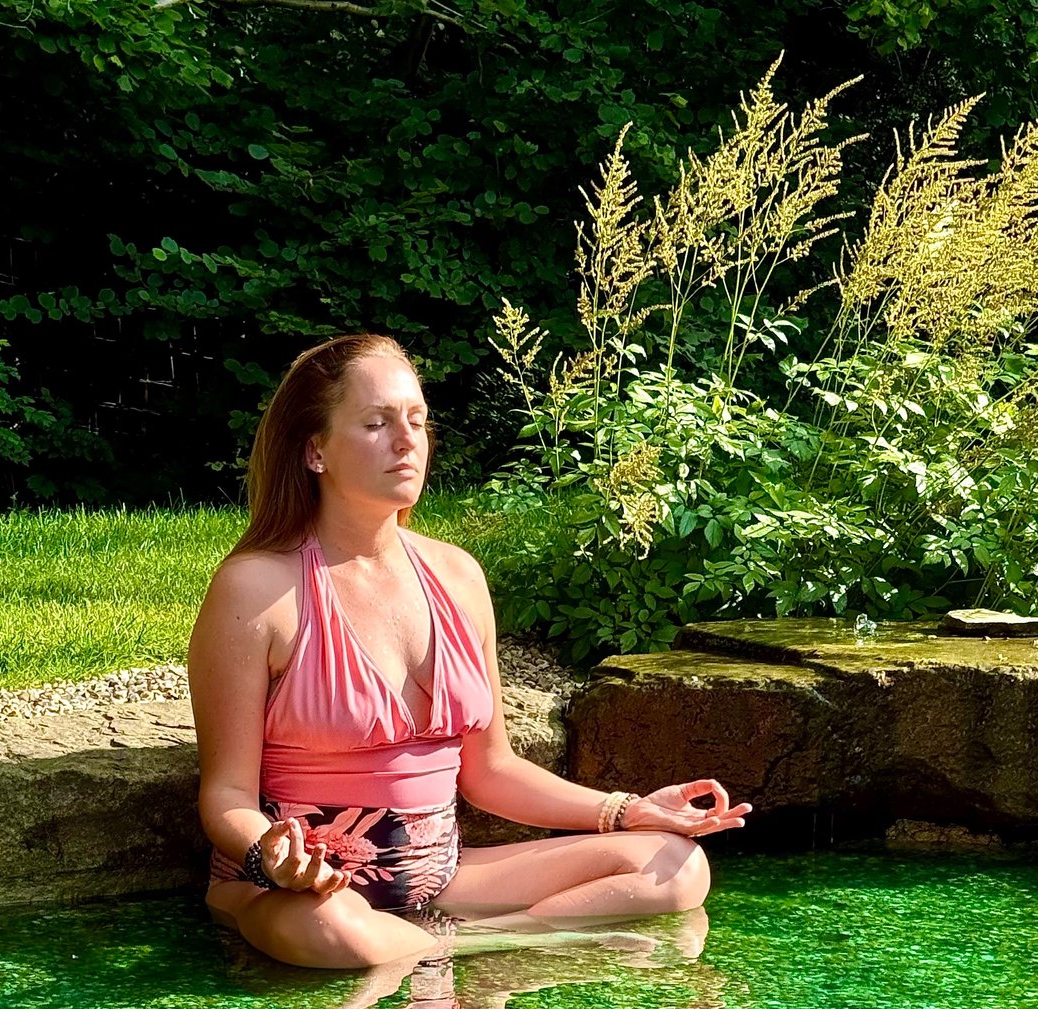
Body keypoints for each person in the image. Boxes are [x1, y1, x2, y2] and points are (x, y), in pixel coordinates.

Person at [188, 332, 749, 971]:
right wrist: (271, 856)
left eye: (417, 421)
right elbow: (227, 793)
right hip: (304, 896)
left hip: (442, 880)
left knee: (675, 866)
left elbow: (490, 771)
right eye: (376, 423)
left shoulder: (457, 576)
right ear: (315, 450)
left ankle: (449, 946)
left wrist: (626, 811)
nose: (406, 441)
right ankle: (492, 947)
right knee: (334, 932)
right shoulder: (258, 589)